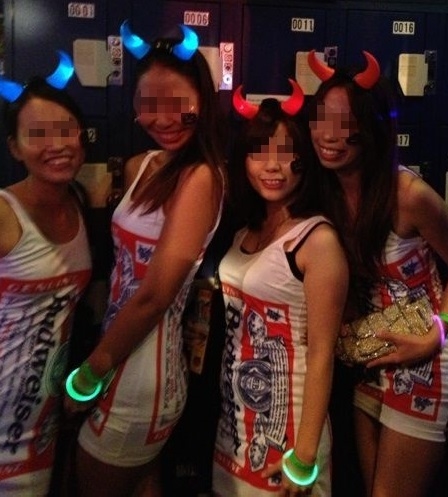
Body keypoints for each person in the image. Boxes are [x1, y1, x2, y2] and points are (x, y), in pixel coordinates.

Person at [63, 21, 226, 497]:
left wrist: (91, 372)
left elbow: (155, 297)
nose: (163, 118)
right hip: (118, 356)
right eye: (148, 104)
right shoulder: (144, 166)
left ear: (202, 102)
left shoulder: (201, 178)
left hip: (139, 381)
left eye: (178, 104)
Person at [307, 50, 448, 497]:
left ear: (371, 128)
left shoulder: (409, 195)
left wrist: (439, 331)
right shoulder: (325, 191)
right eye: (321, 120)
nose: (329, 136)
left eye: (345, 124)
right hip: (370, 359)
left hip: (423, 363)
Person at [212, 82, 349, 497]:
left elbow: (322, 353)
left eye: (286, 153)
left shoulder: (317, 240)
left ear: (304, 160)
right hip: (235, 427)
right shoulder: (244, 232)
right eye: (259, 153)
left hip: (288, 432)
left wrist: (303, 457)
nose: (273, 166)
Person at [0, 57, 92, 495]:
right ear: (15, 148)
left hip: (40, 424)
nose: (56, 145)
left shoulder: (80, 204)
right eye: (37, 134)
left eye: (66, 130)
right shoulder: (5, 212)